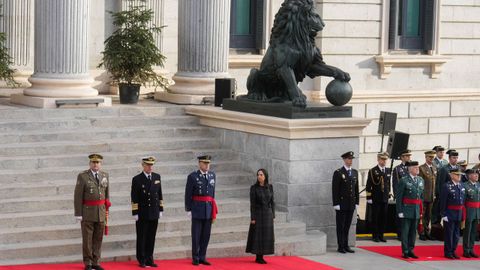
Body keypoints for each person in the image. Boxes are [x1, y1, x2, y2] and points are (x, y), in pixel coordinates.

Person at [74, 154, 111, 270]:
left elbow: (106, 194)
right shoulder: (83, 176)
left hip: (100, 212)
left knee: (98, 238)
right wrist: (78, 214)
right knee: (88, 239)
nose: (96, 164)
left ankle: (96, 262)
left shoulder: (105, 175)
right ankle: (88, 262)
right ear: (90, 164)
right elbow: (77, 196)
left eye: (98, 162)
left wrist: (106, 209)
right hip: (88, 213)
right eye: (93, 162)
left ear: (101, 164)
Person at [131, 157, 163, 268]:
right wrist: (135, 212)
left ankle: (150, 258)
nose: (150, 167)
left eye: (151, 165)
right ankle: (142, 259)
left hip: (154, 212)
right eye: (148, 165)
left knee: (151, 236)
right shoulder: (137, 179)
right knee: (142, 236)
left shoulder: (157, 177)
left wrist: (161, 209)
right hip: (143, 212)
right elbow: (134, 197)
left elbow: (159, 194)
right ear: (143, 165)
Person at [185, 155, 217, 266]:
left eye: (208, 163)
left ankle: (202, 256)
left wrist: (213, 209)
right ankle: (195, 257)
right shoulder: (193, 176)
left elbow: (212, 194)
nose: (207, 165)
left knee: (206, 235)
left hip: (208, 209)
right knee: (196, 235)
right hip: (197, 209)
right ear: (200, 164)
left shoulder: (212, 175)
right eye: (204, 163)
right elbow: (188, 194)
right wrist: (188, 209)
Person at [332, 151, 359, 254]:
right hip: (342, 204)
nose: (350, 161)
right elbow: (335, 189)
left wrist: (356, 201)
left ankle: (346, 245)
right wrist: (336, 203)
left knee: (347, 225)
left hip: (351, 204)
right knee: (341, 226)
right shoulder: (338, 173)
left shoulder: (355, 172)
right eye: (348, 159)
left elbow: (356, 189)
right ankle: (340, 246)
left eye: (351, 159)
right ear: (344, 160)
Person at [246, 169, 275, 264]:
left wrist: (273, 215)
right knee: (258, 235)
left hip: (267, 214)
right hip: (258, 214)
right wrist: (253, 218)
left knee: (266, 235)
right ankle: (258, 257)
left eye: (261, 174)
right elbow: (252, 204)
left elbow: (272, 202)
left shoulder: (270, 187)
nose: (259, 176)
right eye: (258, 175)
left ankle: (262, 255)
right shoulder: (254, 188)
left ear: (265, 176)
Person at [396, 161, 424, 259]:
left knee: (413, 232)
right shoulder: (404, 180)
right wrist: (399, 211)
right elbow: (399, 197)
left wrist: (421, 210)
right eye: (415, 167)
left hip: (416, 210)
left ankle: (411, 249)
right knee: (405, 231)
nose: (417, 169)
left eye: (418, 167)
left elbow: (421, 197)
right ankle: (405, 251)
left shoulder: (420, 180)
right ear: (410, 169)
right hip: (406, 209)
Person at [440, 168, 465, 259]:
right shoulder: (446, 186)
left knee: (456, 234)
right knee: (449, 234)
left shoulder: (461, 185)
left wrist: (462, 214)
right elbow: (443, 202)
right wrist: (443, 214)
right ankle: (448, 252)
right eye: (457, 174)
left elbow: (463, 201)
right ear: (451, 175)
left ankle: (453, 250)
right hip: (450, 213)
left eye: (460, 175)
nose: (459, 176)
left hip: (459, 213)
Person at [366, 152, 391, 242]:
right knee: (375, 217)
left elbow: (388, 183)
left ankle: (381, 235)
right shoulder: (373, 171)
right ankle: (375, 235)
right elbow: (369, 185)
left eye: (385, 160)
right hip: (376, 198)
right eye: (382, 159)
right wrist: (368, 198)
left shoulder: (388, 170)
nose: (384, 161)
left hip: (384, 198)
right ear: (378, 159)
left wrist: (389, 193)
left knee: (383, 217)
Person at [432, 149, 459, 225]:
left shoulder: (459, 168)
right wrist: (440, 196)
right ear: (449, 158)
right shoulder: (444, 169)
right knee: (441, 215)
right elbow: (441, 184)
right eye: (454, 158)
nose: (455, 159)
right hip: (446, 196)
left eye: (456, 157)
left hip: (456, 196)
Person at [392, 149, 412, 239]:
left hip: (411, 196)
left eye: (409, 156)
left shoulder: (412, 167)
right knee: (400, 215)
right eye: (407, 156)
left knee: (409, 215)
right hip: (402, 196)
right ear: (402, 158)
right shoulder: (398, 169)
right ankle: (400, 234)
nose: (409, 158)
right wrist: (397, 196)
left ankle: (408, 233)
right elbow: (396, 183)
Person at [418, 150, 437, 240]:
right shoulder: (421, 168)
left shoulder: (434, 167)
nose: (431, 159)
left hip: (431, 195)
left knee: (429, 215)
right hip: (424, 195)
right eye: (429, 157)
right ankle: (421, 232)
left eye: (432, 157)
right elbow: (420, 183)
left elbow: (435, 182)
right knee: (422, 215)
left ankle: (427, 232)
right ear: (426, 157)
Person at [462, 169, 480, 258]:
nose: (477, 175)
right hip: (469, 211)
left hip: (477, 211)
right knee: (467, 232)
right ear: (469, 176)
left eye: (477, 174)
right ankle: (466, 250)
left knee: (474, 232)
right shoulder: (465, 186)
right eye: (474, 174)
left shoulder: (478, 185)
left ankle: (471, 249)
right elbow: (463, 201)